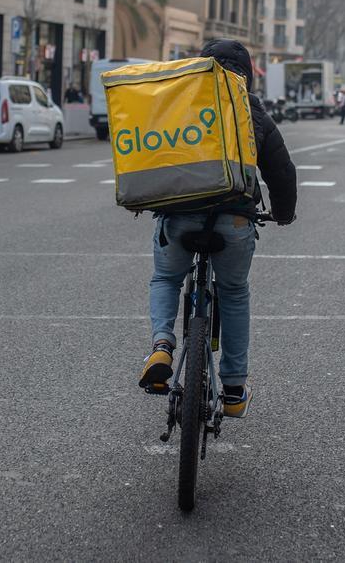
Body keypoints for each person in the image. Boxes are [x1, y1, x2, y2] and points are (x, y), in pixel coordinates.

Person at [137, 38, 298, 418]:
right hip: (235, 220)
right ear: (248, 76)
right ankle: (234, 389)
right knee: (234, 292)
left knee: (166, 279)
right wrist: (284, 214)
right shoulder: (254, 112)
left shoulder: (179, 105)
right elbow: (283, 173)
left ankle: (162, 343)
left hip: (178, 217)